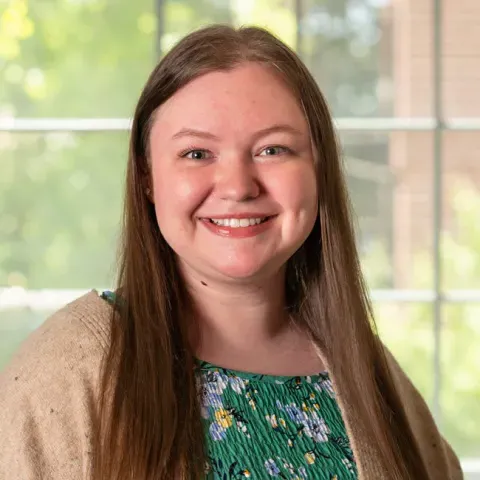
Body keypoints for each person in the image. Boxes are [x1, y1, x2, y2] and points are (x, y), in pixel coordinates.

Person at [0, 25, 462, 480]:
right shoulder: (69, 367)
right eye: (197, 154)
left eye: (273, 149)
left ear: (318, 168)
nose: (239, 187)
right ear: (146, 177)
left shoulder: (374, 376)